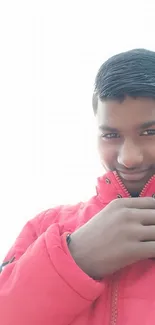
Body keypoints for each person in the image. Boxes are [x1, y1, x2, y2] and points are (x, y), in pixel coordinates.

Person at [1, 48, 155, 325]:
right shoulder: (45, 227)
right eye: (111, 135)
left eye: (149, 132)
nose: (128, 157)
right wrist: (75, 258)